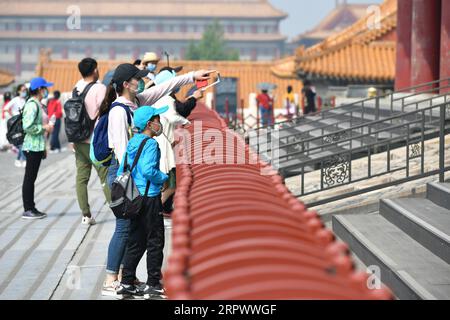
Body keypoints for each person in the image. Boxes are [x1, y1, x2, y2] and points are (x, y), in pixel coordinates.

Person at [100, 62, 214, 296]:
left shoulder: (138, 101)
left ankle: (127, 278)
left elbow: (165, 86)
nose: (141, 81)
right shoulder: (118, 111)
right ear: (126, 84)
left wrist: (192, 76)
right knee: (124, 227)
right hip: (126, 173)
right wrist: (144, 182)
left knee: (134, 230)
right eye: (137, 79)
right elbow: (124, 153)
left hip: (136, 172)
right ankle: (112, 277)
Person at [116, 106, 169, 299]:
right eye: (157, 119)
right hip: (150, 197)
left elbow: (123, 167)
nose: (159, 123)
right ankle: (153, 284)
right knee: (155, 240)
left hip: (134, 198)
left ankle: (127, 282)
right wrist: (162, 177)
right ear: (150, 124)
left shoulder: (133, 142)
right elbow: (148, 170)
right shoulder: (151, 144)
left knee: (136, 240)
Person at [154, 67, 203, 216]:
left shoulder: (160, 97)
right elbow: (173, 117)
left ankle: (159, 208)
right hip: (164, 143)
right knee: (170, 181)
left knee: (165, 180)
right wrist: (187, 123)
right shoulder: (167, 99)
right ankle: (156, 209)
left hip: (164, 141)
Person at [74, 58, 112, 225]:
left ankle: (86, 214)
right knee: (105, 176)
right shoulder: (100, 88)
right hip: (95, 140)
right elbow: (105, 112)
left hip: (79, 139)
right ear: (95, 70)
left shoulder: (76, 87)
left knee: (81, 178)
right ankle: (118, 209)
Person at [21, 77, 54, 220]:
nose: (47, 90)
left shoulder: (37, 104)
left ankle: (31, 207)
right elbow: (27, 126)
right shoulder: (32, 105)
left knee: (31, 178)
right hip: (31, 146)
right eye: (45, 88)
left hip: (37, 146)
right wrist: (44, 128)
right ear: (40, 89)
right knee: (29, 178)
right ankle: (28, 209)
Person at [4, 84, 28, 166]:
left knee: (23, 142)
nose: (24, 92)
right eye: (23, 90)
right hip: (16, 124)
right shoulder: (15, 99)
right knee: (21, 142)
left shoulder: (25, 100)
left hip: (23, 123)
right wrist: (13, 117)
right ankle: (23, 160)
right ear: (18, 91)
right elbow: (6, 108)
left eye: (25, 90)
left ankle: (18, 159)